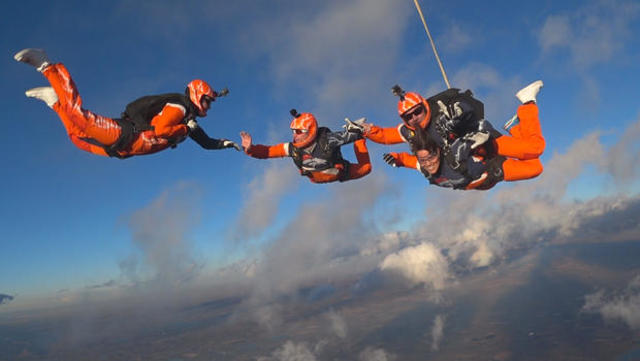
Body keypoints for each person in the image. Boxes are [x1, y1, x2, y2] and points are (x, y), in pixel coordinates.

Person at [14, 48, 240, 158]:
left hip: (122, 150)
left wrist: (228, 144)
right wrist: (184, 128)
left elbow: (206, 142)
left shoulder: (189, 121)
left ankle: (55, 101)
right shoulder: (180, 108)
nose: (208, 107)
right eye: (207, 101)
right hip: (124, 135)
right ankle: (47, 66)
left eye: (210, 103)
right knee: (79, 117)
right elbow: (162, 129)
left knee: (78, 139)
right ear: (197, 95)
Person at [381, 81, 546, 190]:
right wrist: (397, 159)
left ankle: (527, 103)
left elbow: (468, 110)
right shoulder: (425, 166)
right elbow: (405, 156)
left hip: (488, 144)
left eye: (417, 111)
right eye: (408, 116)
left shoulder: (445, 133)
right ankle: (516, 128)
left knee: (536, 148)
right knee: (536, 168)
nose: (414, 117)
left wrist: (459, 111)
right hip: (494, 170)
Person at [240, 110, 372, 184]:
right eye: (293, 131)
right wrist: (251, 149)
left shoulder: (328, 140)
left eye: (299, 131)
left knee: (366, 168)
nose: (295, 135)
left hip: (340, 173)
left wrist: (360, 129)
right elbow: (267, 152)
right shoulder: (292, 148)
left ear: (311, 130)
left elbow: (351, 134)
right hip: (316, 178)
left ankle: (359, 145)